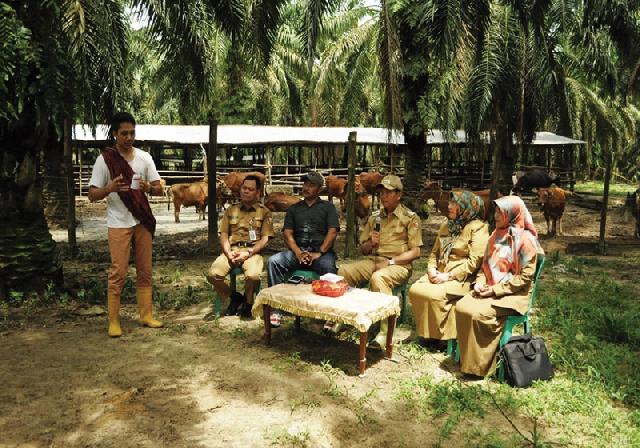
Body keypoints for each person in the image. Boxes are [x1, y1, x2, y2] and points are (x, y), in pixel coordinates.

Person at [88, 112, 164, 337]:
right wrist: (109, 188)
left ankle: (146, 315)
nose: (129, 137)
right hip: (118, 223)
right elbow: (92, 194)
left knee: (145, 270)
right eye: (124, 133)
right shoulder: (105, 159)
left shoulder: (144, 158)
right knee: (118, 271)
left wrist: (148, 188)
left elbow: (159, 188)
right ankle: (113, 321)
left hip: (142, 220)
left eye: (132, 133)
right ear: (114, 134)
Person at [455, 196, 543, 377]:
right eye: (495, 211)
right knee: (462, 306)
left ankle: (480, 367)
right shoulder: (495, 235)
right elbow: (484, 267)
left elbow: (525, 278)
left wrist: (495, 290)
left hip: (514, 293)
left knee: (479, 313)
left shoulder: (525, 241)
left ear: (511, 214)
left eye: (499, 212)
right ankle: (468, 359)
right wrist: (480, 283)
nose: (495, 215)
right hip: (491, 288)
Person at [336, 175, 423, 346]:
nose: (384, 196)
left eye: (388, 192)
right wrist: (371, 243)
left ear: (399, 194)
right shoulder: (374, 217)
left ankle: (384, 331)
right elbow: (362, 249)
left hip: (398, 265)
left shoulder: (410, 218)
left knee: (379, 278)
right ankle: (344, 316)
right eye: (382, 192)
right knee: (344, 271)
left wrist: (390, 262)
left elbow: (416, 252)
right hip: (373, 260)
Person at [408, 191, 488, 346]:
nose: (449, 206)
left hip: (462, 277)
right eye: (450, 203)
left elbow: (474, 262)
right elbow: (434, 253)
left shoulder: (478, 228)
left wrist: (448, 276)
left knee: (434, 294)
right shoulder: (447, 225)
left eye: (454, 203)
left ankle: (442, 337)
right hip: (440, 271)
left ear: (465, 207)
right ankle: (429, 333)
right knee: (415, 289)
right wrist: (431, 269)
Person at [267, 171, 339, 326]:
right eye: (305, 184)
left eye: (311, 185)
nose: (306, 187)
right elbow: (287, 233)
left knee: (329, 267)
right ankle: (276, 309)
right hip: (298, 253)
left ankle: (328, 313)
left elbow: (332, 232)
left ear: (320, 189)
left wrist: (319, 253)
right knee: (273, 261)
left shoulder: (328, 208)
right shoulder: (294, 209)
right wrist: (298, 252)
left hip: (320, 254)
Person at [207, 175, 274, 317]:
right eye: (244, 188)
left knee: (253, 276)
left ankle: (248, 303)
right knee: (213, 274)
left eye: (251, 189)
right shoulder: (230, 210)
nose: (246, 192)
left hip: (252, 252)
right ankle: (235, 297)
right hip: (231, 250)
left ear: (257, 193)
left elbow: (265, 239)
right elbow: (224, 234)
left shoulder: (264, 212)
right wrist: (228, 253)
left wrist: (248, 253)